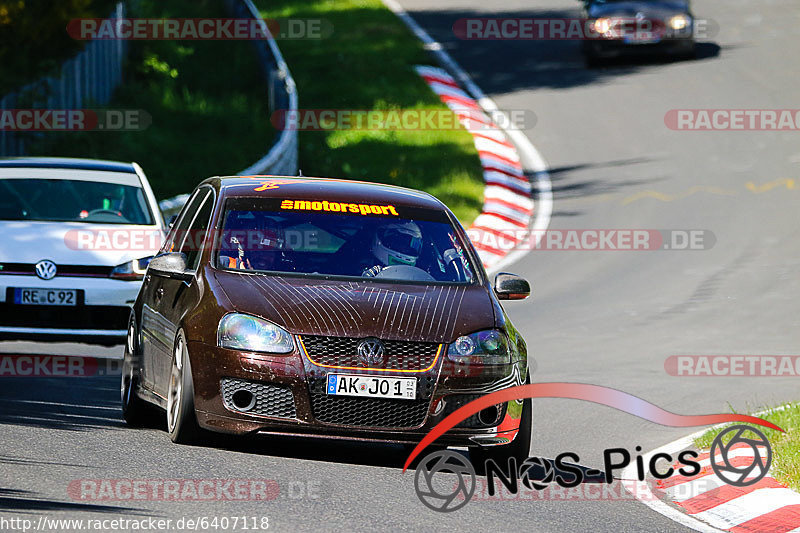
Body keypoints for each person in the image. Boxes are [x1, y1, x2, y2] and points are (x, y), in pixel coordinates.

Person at [219, 211, 284, 271]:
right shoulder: (224, 264)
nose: (263, 256)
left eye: (268, 251)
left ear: (276, 255)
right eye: (257, 250)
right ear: (244, 252)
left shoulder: (283, 277)